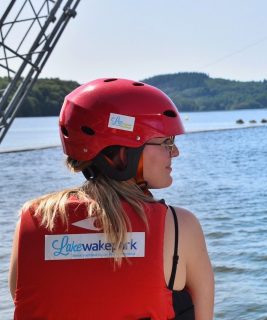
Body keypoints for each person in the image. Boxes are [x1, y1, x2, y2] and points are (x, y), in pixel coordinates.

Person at [8, 78, 214, 319]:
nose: (175, 152)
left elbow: (23, 297)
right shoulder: (180, 225)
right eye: (166, 142)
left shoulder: (33, 218)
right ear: (122, 153)